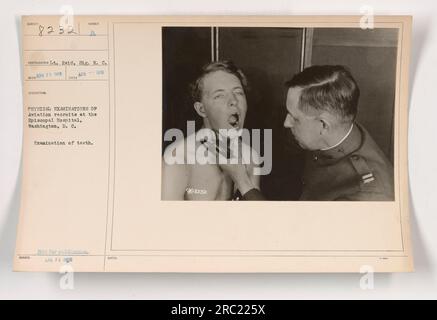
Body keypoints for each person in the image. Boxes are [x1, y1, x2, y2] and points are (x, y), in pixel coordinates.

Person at [220, 65, 394, 201]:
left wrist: (243, 181)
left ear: (323, 125)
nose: (286, 123)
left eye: (295, 118)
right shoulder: (338, 128)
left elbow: (293, 239)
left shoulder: (367, 194)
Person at [161, 61, 260, 200]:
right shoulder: (178, 157)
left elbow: (258, 217)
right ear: (201, 109)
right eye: (219, 95)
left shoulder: (251, 157)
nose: (233, 101)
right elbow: (165, 219)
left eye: (238, 92)